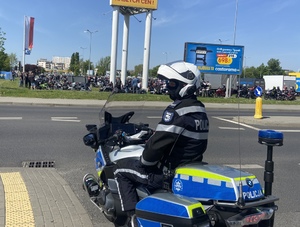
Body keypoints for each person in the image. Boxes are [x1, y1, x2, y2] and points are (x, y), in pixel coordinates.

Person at [113, 61, 209, 226]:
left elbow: (154, 149)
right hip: (186, 169)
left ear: (185, 85)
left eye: (172, 83)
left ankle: (132, 218)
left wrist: (144, 161)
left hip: (166, 174)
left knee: (120, 170)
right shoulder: (200, 109)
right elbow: (175, 137)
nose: (168, 87)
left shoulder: (177, 110)